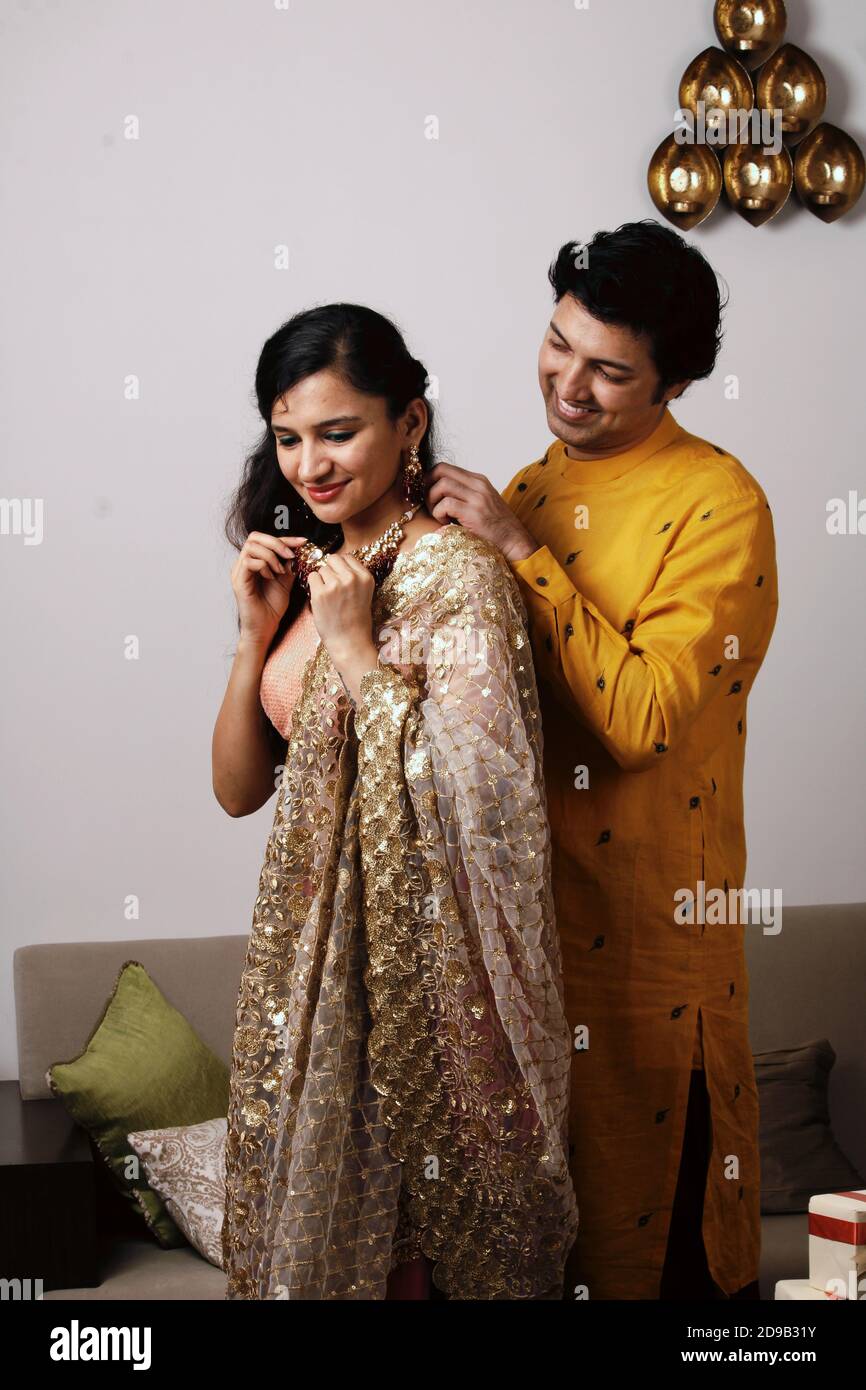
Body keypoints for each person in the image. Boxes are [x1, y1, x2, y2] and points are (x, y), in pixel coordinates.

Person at [423, 221, 779, 1300]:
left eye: (608, 369)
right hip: (527, 951)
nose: (567, 384)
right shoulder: (527, 489)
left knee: (658, 1263)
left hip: (649, 958)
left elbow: (639, 719)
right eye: (556, 344)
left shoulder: (719, 505)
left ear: (671, 379)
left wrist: (520, 555)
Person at [213, 302, 578, 1300]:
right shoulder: (308, 573)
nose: (309, 464)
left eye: (338, 431)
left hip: (425, 978)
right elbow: (240, 792)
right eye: (287, 436)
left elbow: (479, 798)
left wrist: (353, 648)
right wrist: (258, 636)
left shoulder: (456, 575)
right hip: (309, 970)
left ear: (408, 423)